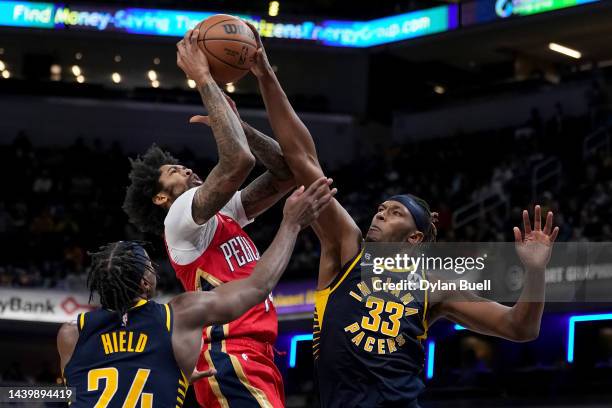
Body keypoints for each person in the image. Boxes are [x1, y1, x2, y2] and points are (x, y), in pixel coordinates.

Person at [245, 23, 560, 407]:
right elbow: (303, 160)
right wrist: (265, 76)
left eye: (394, 213)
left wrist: (536, 271)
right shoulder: (346, 250)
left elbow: (521, 327)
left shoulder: (435, 287)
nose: (379, 215)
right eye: (380, 208)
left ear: (414, 238)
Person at [122, 28, 301, 408]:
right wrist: (205, 79)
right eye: (173, 171)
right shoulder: (180, 220)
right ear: (159, 198)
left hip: (254, 353)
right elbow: (238, 162)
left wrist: (243, 126)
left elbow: (285, 174)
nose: (185, 169)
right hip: (227, 353)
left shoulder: (220, 216)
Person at [58, 178, 335, 408]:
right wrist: (291, 223)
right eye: (150, 265)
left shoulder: (71, 334)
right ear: (144, 283)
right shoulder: (178, 317)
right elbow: (258, 285)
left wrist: (16, 394)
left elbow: (68, 393)